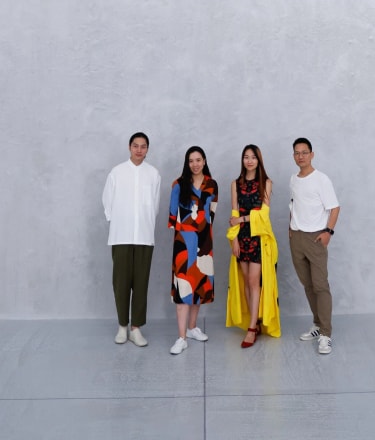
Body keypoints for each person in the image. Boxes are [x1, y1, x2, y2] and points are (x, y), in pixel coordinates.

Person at [102, 132, 161, 347]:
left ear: (147, 149)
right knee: (121, 283)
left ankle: (136, 328)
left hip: (144, 237)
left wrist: (143, 223)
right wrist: (117, 220)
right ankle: (122, 326)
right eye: (135, 146)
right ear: (129, 147)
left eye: (143, 146)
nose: (139, 150)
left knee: (141, 284)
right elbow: (107, 201)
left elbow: (154, 207)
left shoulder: (153, 174)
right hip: (121, 236)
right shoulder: (117, 172)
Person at [225, 144, 280, 346]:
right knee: (246, 281)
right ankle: (253, 322)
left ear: (259, 160)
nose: (249, 160)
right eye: (246, 157)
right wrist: (234, 239)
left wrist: (241, 221)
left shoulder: (266, 182)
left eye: (253, 157)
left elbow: (264, 215)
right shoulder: (235, 184)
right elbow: (233, 212)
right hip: (242, 238)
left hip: (259, 238)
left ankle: (251, 329)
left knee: (255, 281)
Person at [289, 137, 340, 355]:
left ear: (312, 154)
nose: (300, 156)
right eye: (297, 153)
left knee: (320, 285)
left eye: (304, 152)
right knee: (308, 285)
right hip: (297, 238)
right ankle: (317, 325)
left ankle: (326, 334)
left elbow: (335, 207)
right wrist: (290, 228)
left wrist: (328, 232)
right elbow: (294, 204)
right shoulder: (294, 179)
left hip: (316, 238)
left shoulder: (321, 179)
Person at [168, 146, 218, 354]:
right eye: (191, 161)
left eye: (198, 160)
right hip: (184, 243)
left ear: (204, 161)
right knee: (183, 290)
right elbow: (172, 216)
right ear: (187, 163)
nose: (195, 164)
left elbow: (211, 214)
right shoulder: (178, 184)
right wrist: (187, 235)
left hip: (205, 242)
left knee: (199, 287)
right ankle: (181, 338)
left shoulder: (212, 184)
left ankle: (192, 328)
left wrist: (202, 237)